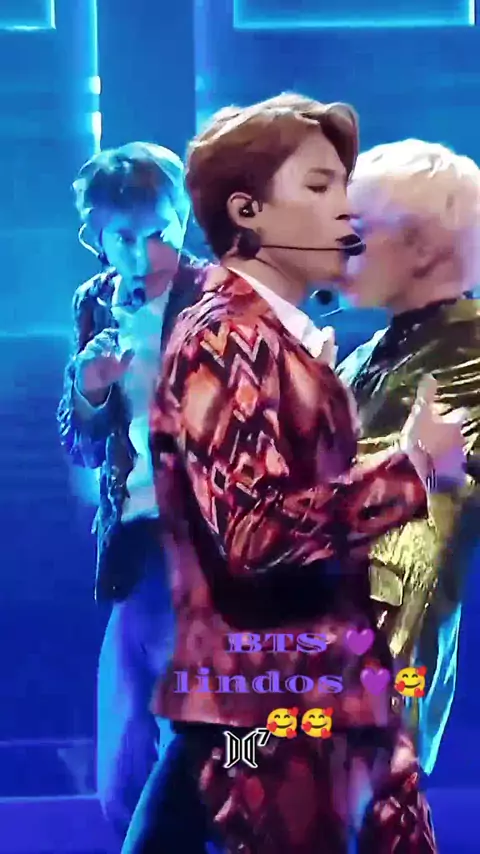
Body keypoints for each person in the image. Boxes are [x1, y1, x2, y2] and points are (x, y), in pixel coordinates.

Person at [123, 96, 466, 854]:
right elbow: (254, 531)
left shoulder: (283, 339)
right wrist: (411, 469)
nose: (347, 208)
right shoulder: (231, 338)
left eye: (344, 182)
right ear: (248, 211)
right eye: (319, 185)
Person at [57, 142, 208, 842]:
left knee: (193, 747)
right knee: (122, 759)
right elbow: (82, 446)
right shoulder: (94, 302)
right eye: (123, 237)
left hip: (209, 543)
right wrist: (90, 391)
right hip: (132, 544)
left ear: (184, 221)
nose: (143, 254)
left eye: (159, 233)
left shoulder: (225, 302)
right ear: (96, 237)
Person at [337, 139, 480, 776]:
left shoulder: (473, 351)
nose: (336, 247)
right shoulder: (363, 355)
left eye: (356, 231)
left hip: (386, 660)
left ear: (421, 247)